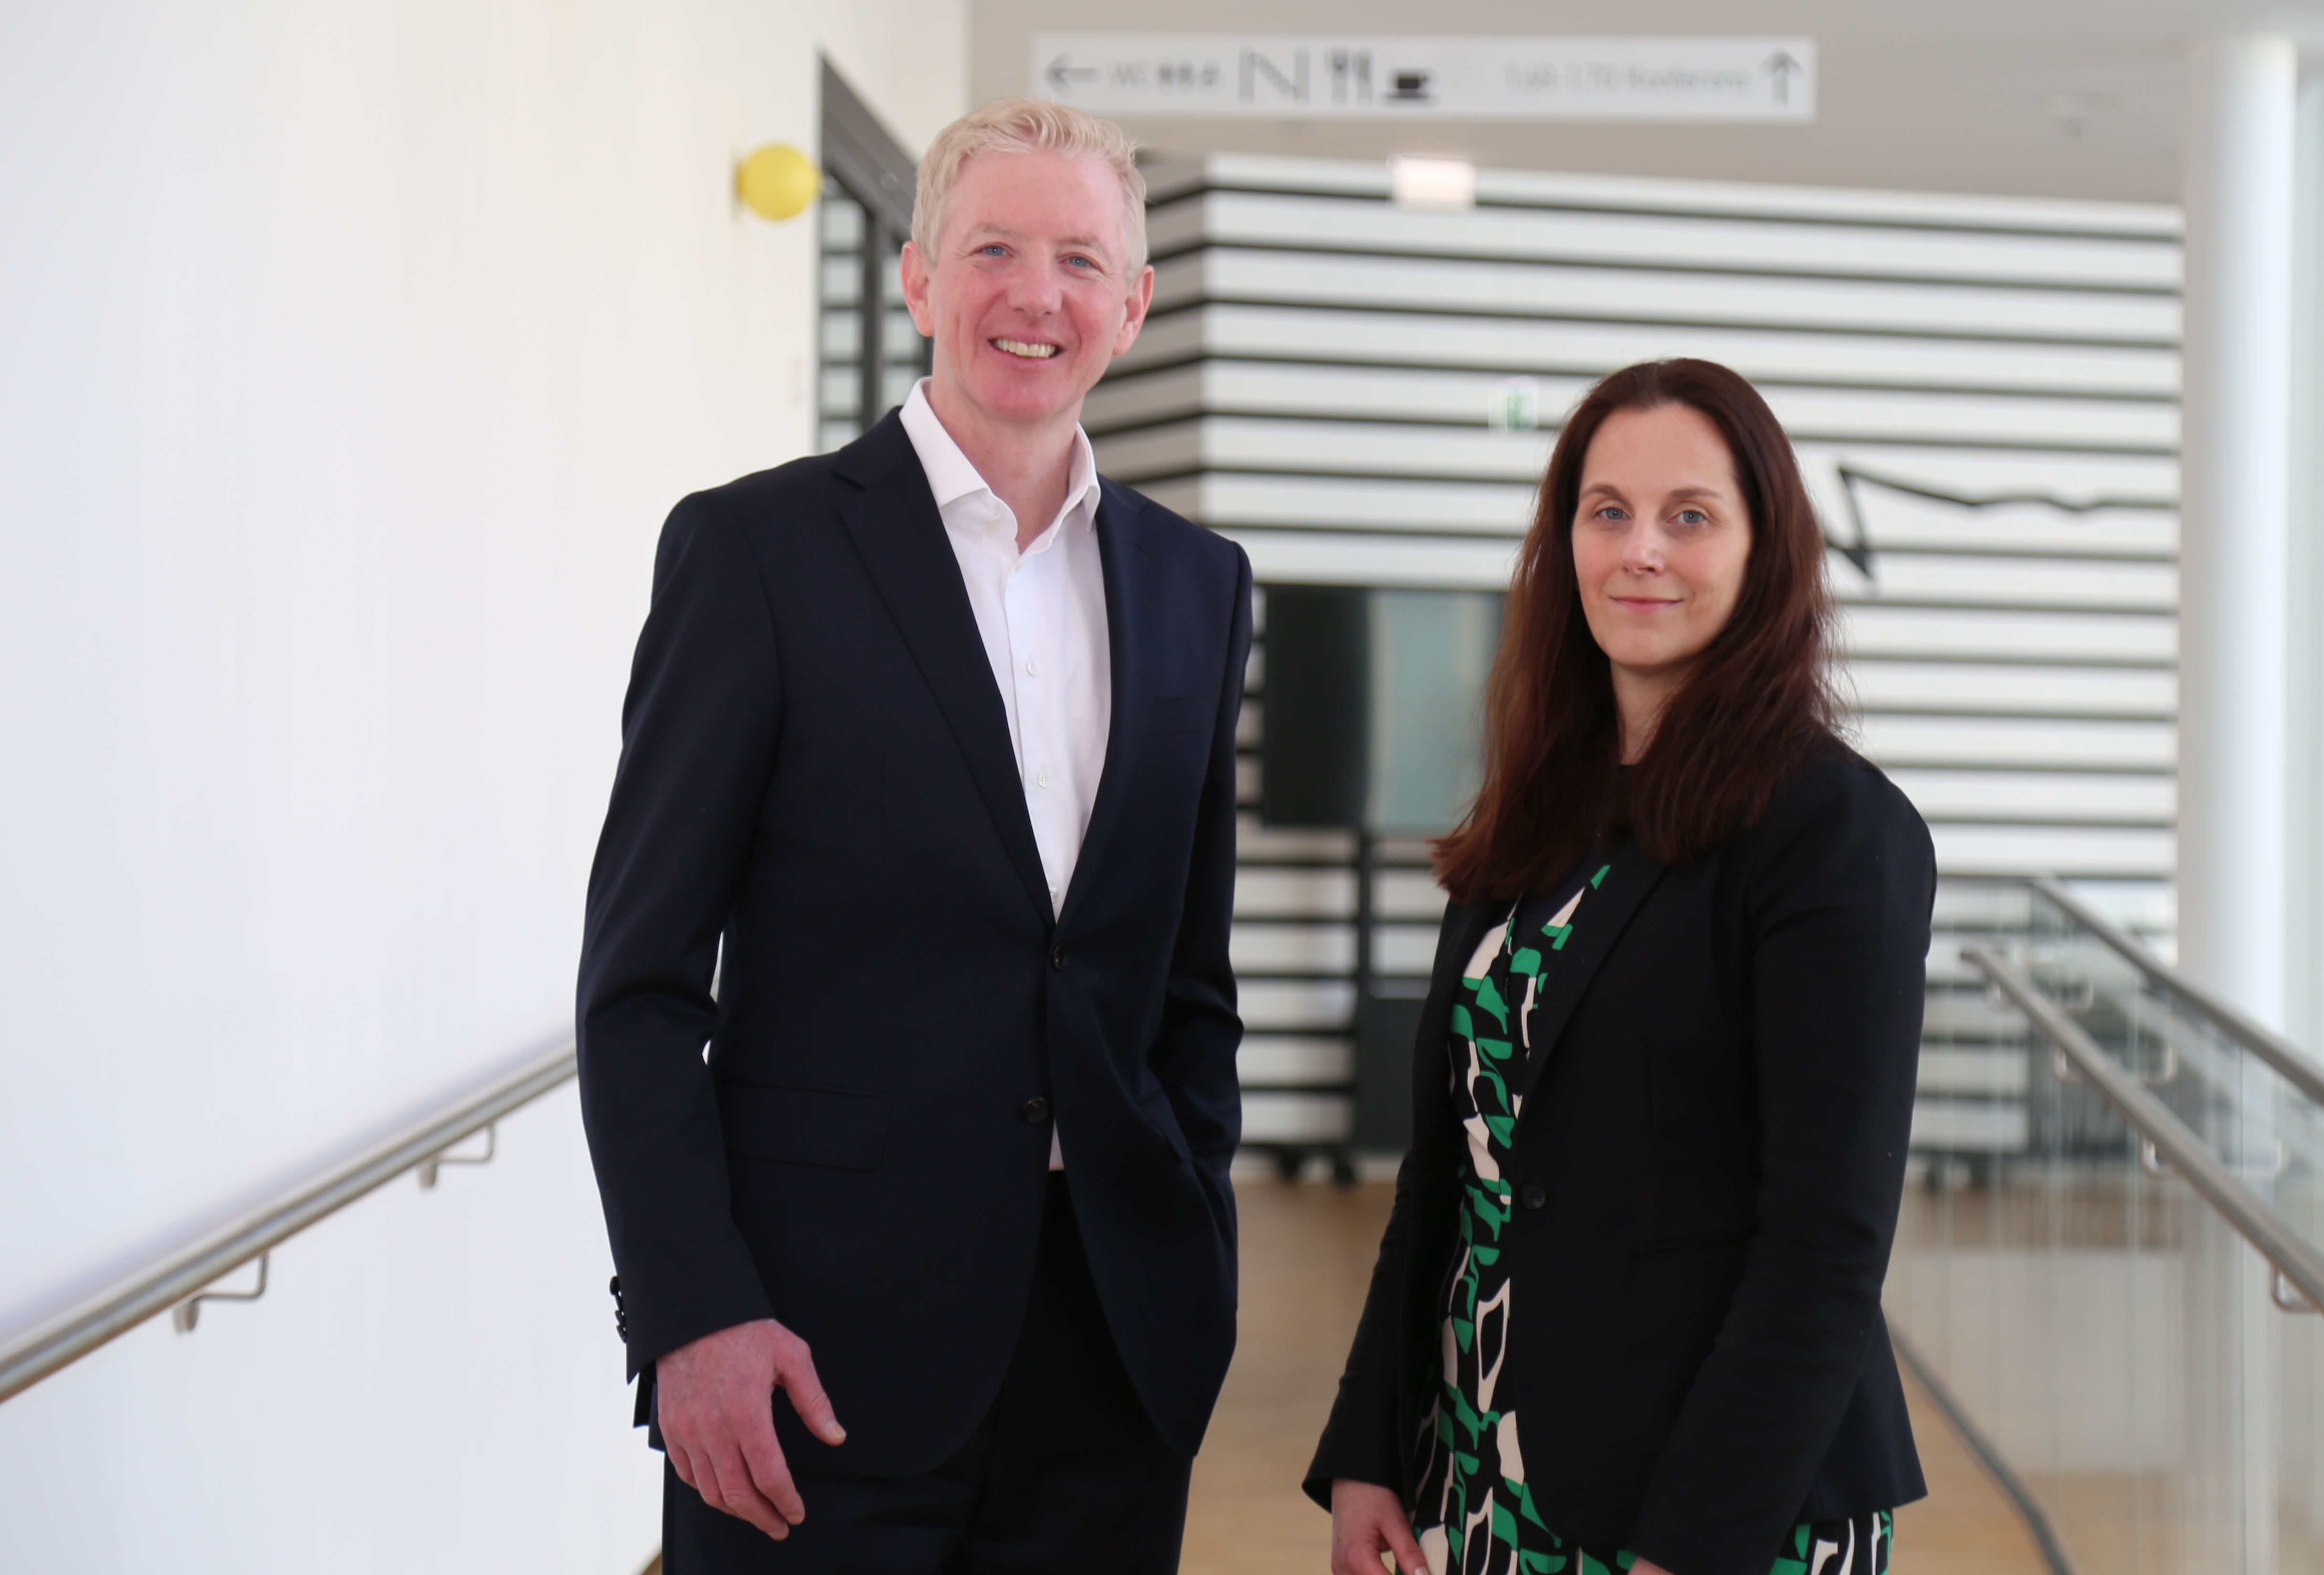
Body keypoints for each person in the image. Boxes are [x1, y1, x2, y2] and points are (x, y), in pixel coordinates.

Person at [576, 96, 1250, 1574]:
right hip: (811, 1350)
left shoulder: (1200, 585)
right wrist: (690, 1311)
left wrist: (1195, 1239)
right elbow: (638, 988)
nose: (1036, 294)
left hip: (1115, 1350)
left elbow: (1188, 984)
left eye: (1081, 260)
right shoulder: (755, 554)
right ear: (919, 278)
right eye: (993, 248)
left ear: (1134, 304)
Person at [1307, 358, 1934, 1575]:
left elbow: (1824, 1246)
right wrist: (1371, 1442)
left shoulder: (1833, 833)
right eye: (1609, 512)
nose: (1642, 550)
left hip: (1724, 1509)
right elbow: (1449, 1176)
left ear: (1764, 553)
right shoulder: (1539, 811)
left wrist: (1691, 1551)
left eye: (1689, 516)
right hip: (1492, 1472)